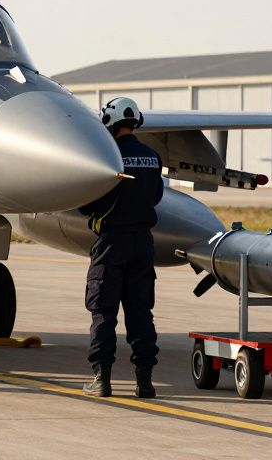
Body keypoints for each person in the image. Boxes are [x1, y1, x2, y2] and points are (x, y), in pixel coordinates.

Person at [78, 97, 164, 398]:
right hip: (143, 244)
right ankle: (145, 382)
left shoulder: (108, 158)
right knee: (141, 312)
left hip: (110, 245)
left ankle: (101, 380)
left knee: (103, 312)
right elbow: (155, 197)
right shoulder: (153, 157)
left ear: (110, 123)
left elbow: (87, 205)